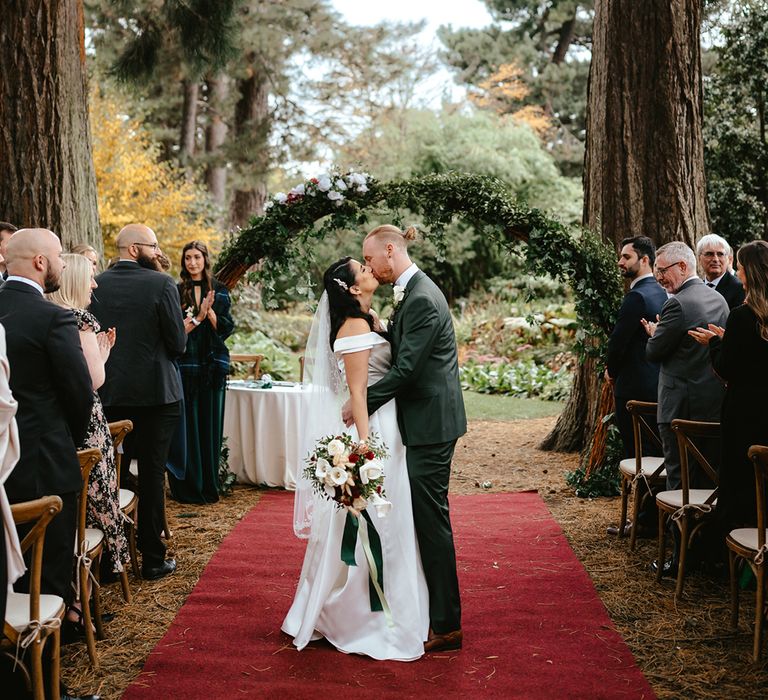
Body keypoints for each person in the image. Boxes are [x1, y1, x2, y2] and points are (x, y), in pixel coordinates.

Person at [283, 256, 429, 661]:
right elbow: (359, 393)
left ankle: (399, 603)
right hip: (375, 430)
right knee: (380, 519)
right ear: (350, 287)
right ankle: (358, 615)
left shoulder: (368, 317)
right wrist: (367, 451)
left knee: (394, 519)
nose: (369, 270)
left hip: (390, 425)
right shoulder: (352, 327)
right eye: (360, 269)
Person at [354, 225, 467, 652]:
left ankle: (447, 623)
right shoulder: (411, 291)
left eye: (369, 260)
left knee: (431, 519)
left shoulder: (419, 297)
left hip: (432, 425)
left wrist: (361, 404)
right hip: (426, 420)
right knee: (426, 516)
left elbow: (407, 371)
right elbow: (405, 351)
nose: (368, 267)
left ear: (389, 250)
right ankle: (434, 610)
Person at [0, 229, 99, 700]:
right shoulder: (50, 318)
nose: (63, 263)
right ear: (40, 262)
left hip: (4, 469)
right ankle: (46, 687)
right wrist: (69, 441)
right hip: (43, 467)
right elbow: (79, 394)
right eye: (60, 256)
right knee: (45, 584)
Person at [89, 224, 187, 581]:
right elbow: (178, 344)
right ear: (133, 249)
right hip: (156, 397)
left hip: (109, 396)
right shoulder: (161, 284)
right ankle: (152, 559)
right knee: (150, 474)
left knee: (107, 475)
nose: (158, 252)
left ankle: (110, 562)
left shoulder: (96, 283)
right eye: (153, 246)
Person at [644, 241, 729, 575]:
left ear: (681, 266)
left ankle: (680, 558)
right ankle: (709, 553)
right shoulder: (718, 299)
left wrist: (654, 333)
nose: (660, 279)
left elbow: (655, 352)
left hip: (679, 407)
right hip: (713, 405)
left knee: (679, 480)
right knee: (710, 481)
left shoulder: (677, 305)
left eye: (662, 272)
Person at [47, 254, 130, 579]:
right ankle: (88, 591)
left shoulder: (50, 316)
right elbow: (93, 380)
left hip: (59, 419)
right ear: (75, 281)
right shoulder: (81, 319)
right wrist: (104, 355)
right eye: (90, 278)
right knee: (96, 501)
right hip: (87, 421)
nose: (95, 284)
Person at [689, 240, 768, 538]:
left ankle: (732, 551)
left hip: (744, 411)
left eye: (741, 266)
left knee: (740, 479)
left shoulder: (742, 315)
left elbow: (726, 368)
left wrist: (715, 343)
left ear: (751, 272)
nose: (736, 270)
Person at [604, 236, 667, 537]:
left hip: (633, 390)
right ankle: (651, 517)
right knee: (654, 453)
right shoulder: (663, 293)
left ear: (645, 260)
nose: (620, 262)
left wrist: (610, 370)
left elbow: (619, 342)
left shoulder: (637, 297)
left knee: (636, 455)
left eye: (626, 257)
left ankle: (643, 521)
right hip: (655, 385)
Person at [169, 241, 234, 504]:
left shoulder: (219, 290)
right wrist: (197, 315)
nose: (192, 262)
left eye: (197, 257)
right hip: (186, 364)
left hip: (212, 365)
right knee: (188, 426)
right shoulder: (176, 291)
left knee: (209, 424)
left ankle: (209, 484)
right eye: (187, 258)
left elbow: (227, 328)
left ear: (205, 259)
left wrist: (209, 315)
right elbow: (174, 330)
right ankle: (188, 486)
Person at [696, 233, 745, 310]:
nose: (715, 259)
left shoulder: (739, 288)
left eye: (720, 254)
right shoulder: (696, 288)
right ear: (699, 259)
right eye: (709, 254)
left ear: (728, 259)